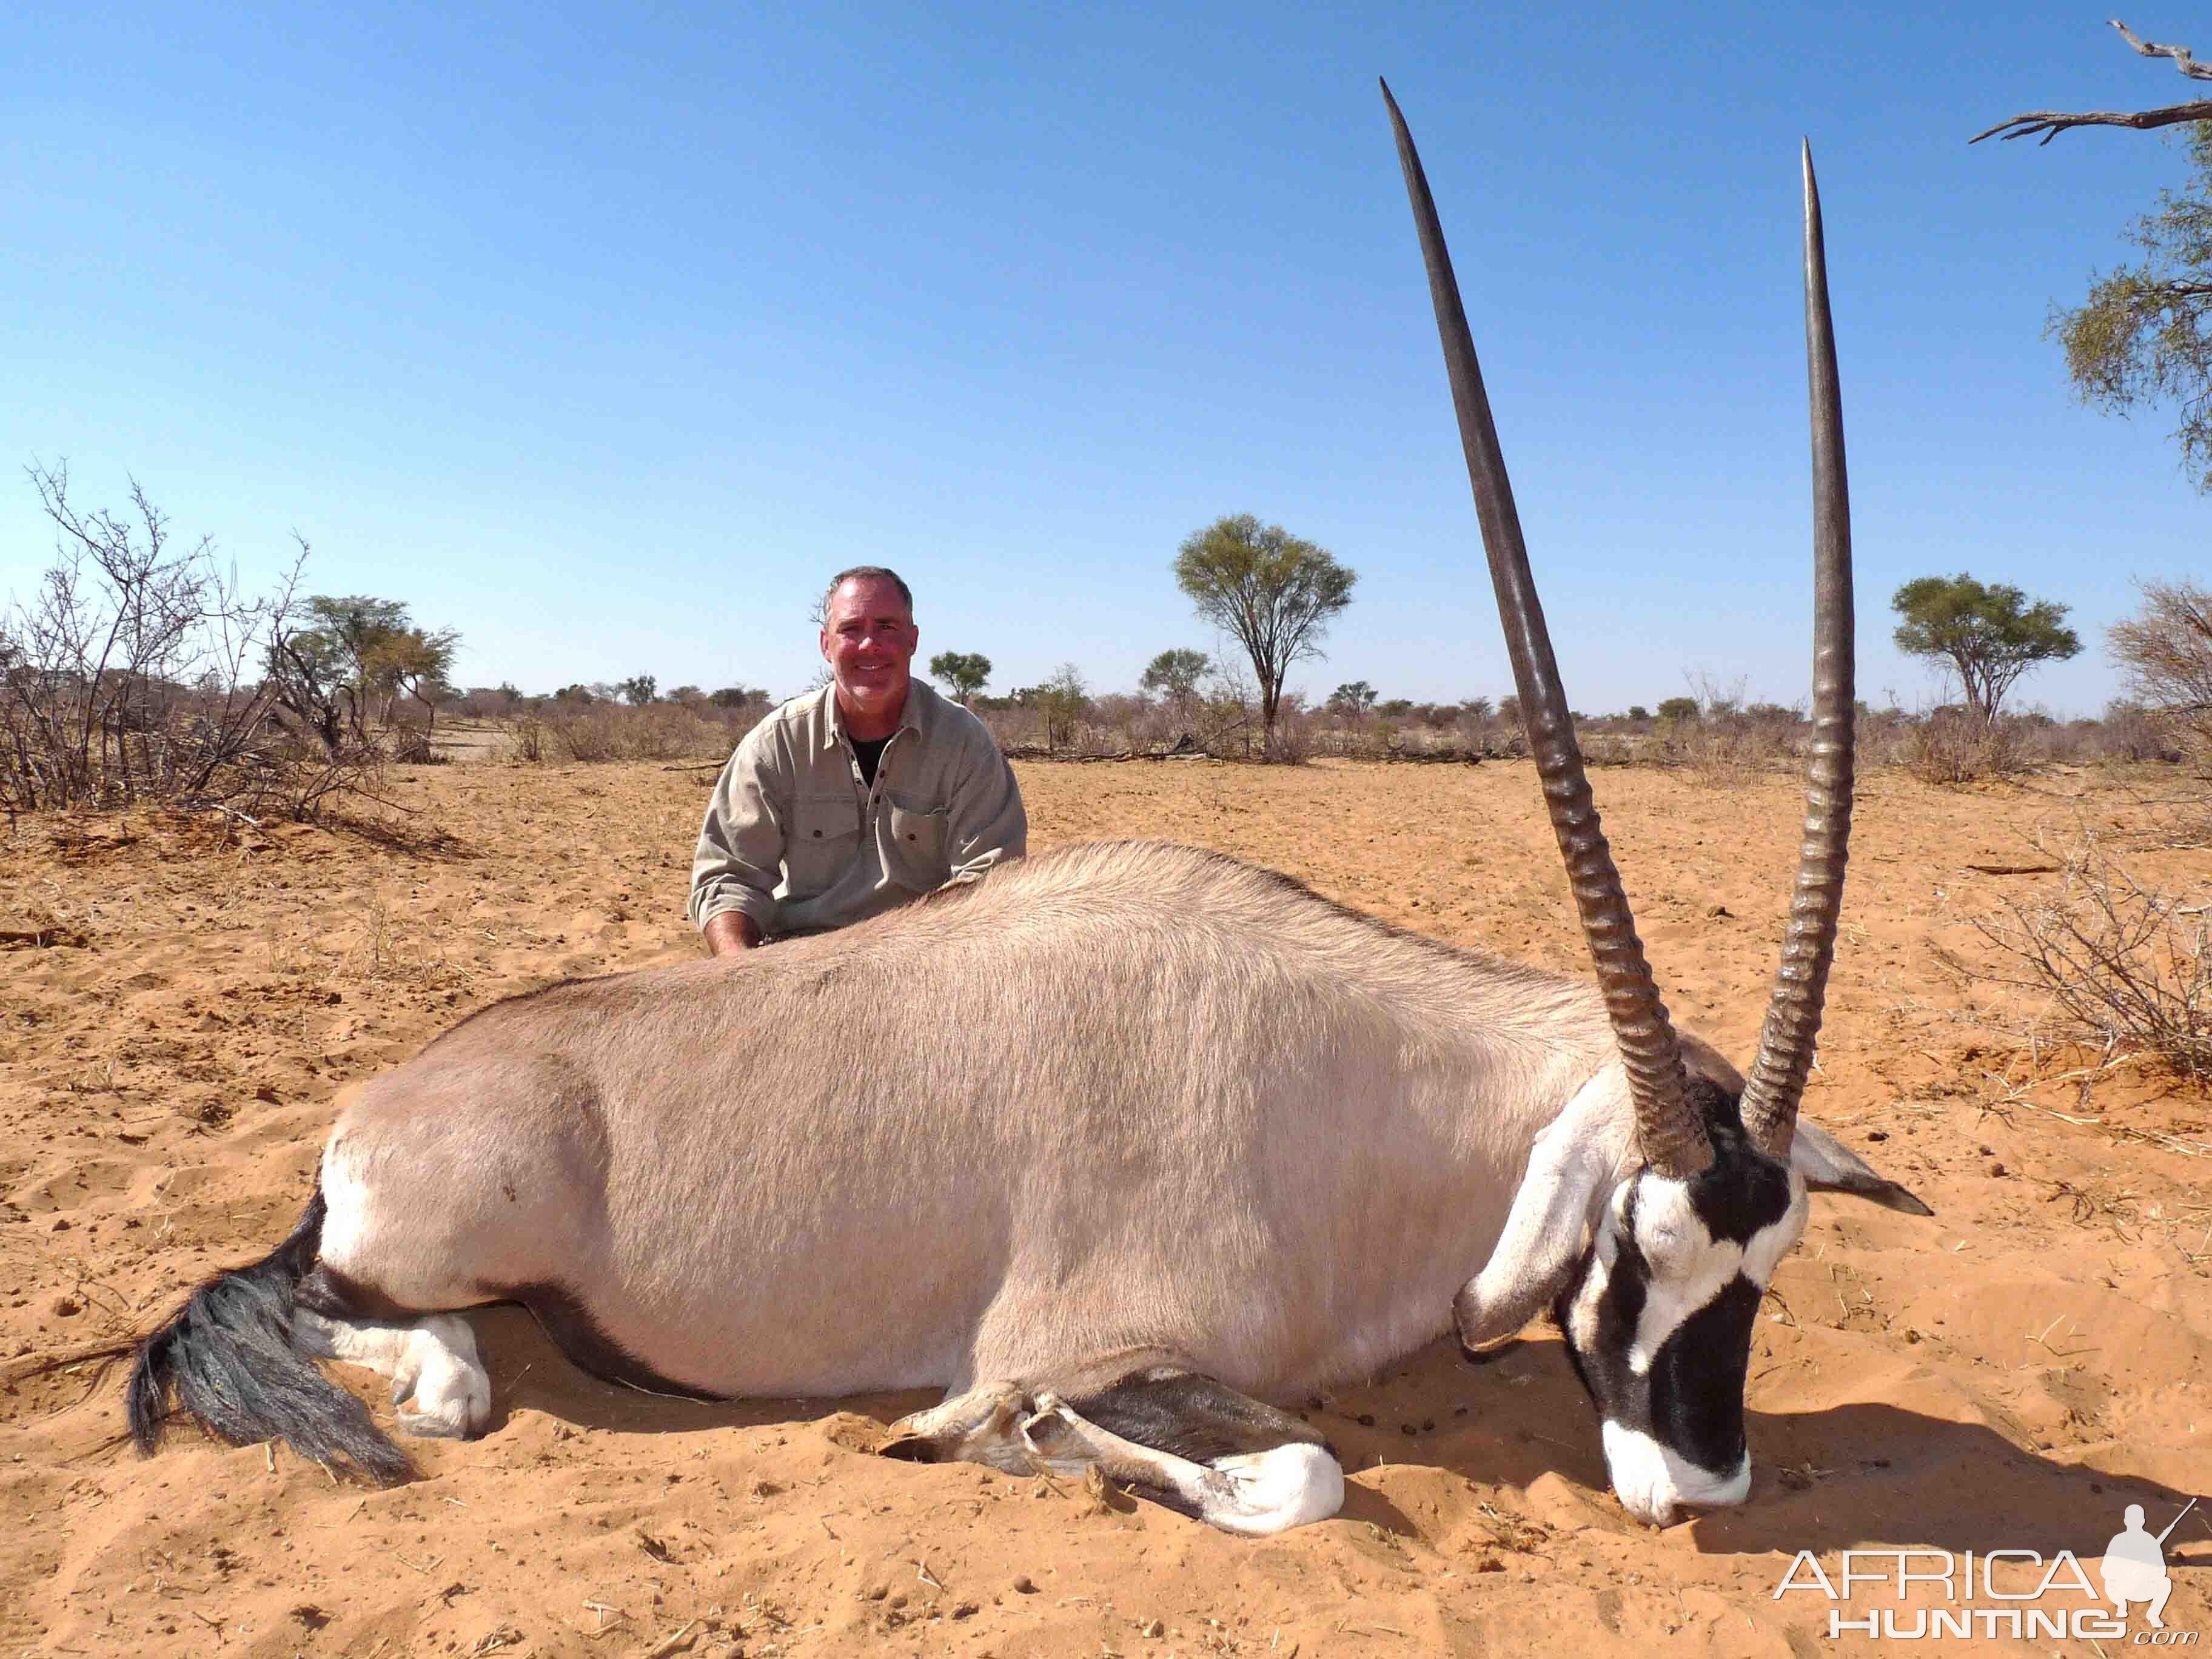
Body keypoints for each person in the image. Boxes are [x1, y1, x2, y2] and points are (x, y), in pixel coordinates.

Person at [689, 566, 1026, 951]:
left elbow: (992, 881)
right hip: (800, 958)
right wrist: (740, 971)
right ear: (825, 644)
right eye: (851, 629)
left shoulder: (965, 743)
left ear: (913, 640)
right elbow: (729, 879)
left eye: (887, 627)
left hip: (924, 957)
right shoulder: (776, 742)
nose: (870, 644)